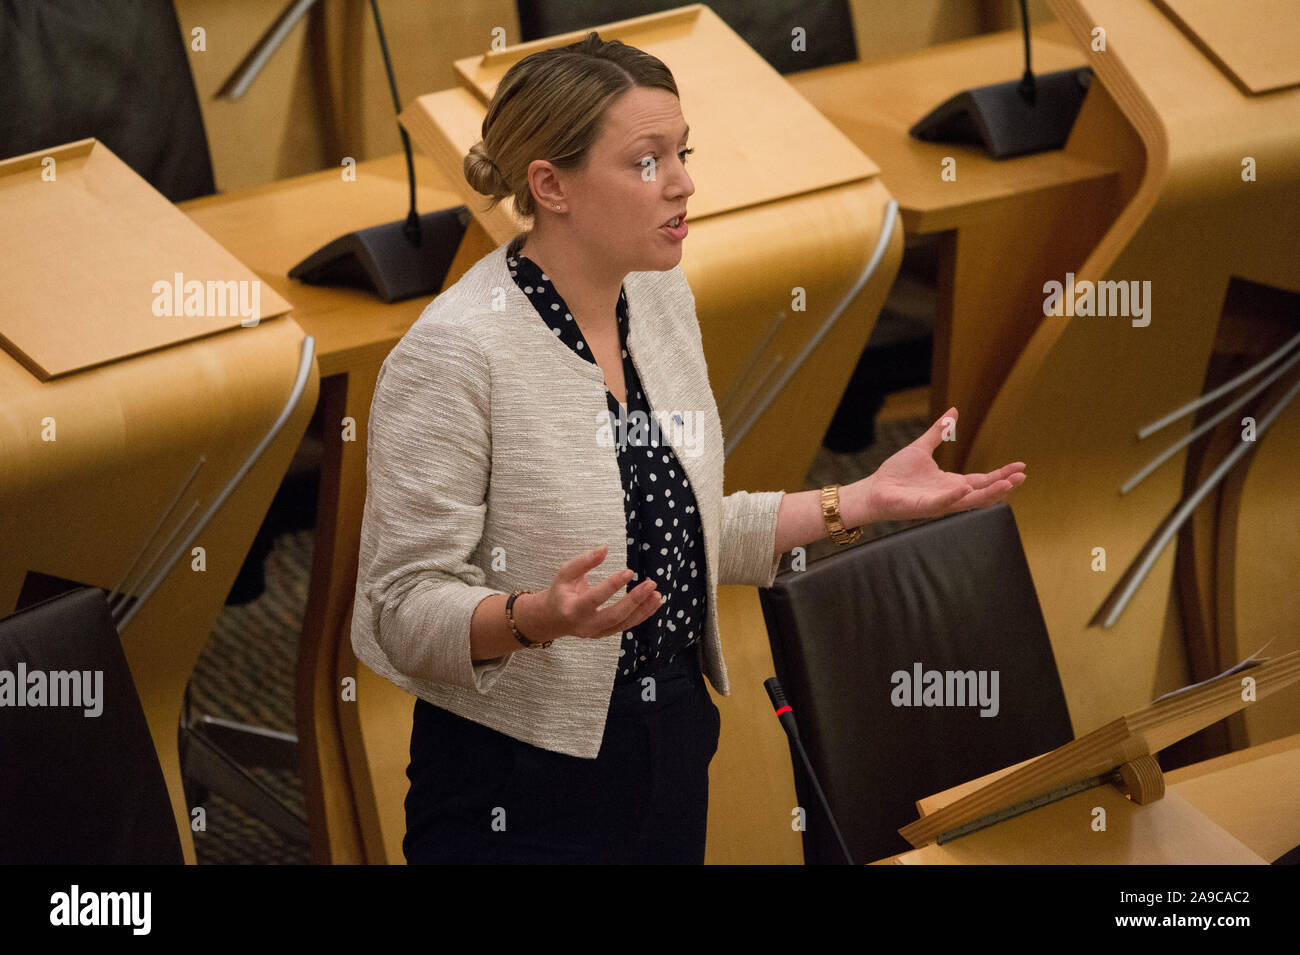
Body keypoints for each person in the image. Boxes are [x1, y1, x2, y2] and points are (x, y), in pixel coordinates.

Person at [350, 31, 1026, 864]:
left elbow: (685, 531)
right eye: (647, 161)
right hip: (518, 781)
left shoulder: (658, 297)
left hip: (668, 735)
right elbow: (399, 609)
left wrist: (857, 502)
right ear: (550, 185)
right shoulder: (453, 354)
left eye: (683, 152)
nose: (682, 182)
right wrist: (535, 619)